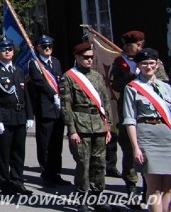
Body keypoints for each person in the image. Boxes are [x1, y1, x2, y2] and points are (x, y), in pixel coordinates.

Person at [110, 29, 169, 203]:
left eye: (133, 45)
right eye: (128, 45)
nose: (129, 48)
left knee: (152, 165)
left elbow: (164, 83)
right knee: (130, 153)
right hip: (129, 115)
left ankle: (146, 191)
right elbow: (115, 84)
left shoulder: (153, 63)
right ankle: (132, 186)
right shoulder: (120, 63)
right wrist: (131, 77)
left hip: (157, 117)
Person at [62, 42, 112, 212]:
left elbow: (105, 102)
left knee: (99, 163)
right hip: (80, 125)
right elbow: (66, 105)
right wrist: (72, 131)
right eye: (86, 58)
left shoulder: (97, 77)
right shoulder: (69, 77)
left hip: (98, 124)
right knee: (83, 163)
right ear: (77, 58)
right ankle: (82, 198)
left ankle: (98, 197)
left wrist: (108, 126)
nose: (89, 60)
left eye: (92, 57)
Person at [122, 48, 171, 212]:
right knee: (154, 186)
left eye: (151, 63)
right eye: (144, 63)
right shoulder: (132, 87)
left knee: (169, 188)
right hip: (148, 138)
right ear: (138, 65)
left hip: (168, 137)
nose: (148, 66)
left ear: (157, 65)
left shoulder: (166, 87)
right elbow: (129, 120)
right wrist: (135, 147)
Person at [0, 37, 34, 196]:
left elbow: (25, 95)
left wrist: (30, 116)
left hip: (20, 116)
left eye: (10, 49)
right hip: (5, 118)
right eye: (3, 49)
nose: (7, 52)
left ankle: (18, 182)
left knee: (18, 152)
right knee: (4, 154)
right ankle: (5, 183)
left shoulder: (19, 71)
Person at [28, 35, 68, 187]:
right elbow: (39, 83)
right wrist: (54, 94)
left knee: (56, 143)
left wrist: (61, 96)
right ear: (38, 48)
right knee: (45, 143)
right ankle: (46, 173)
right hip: (44, 108)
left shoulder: (56, 62)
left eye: (49, 46)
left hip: (58, 108)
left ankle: (56, 172)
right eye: (44, 47)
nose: (47, 49)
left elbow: (60, 80)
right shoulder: (34, 64)